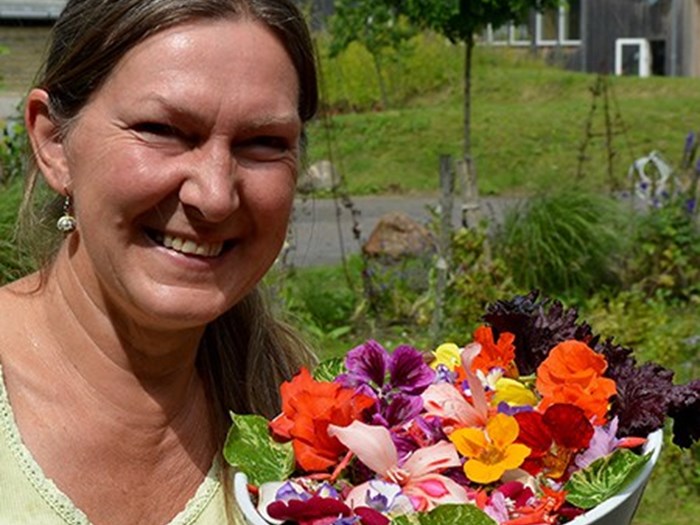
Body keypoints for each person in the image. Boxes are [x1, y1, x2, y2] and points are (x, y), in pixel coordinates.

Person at [0, 0, 318, 523]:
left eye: (263, 143)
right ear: (55, 143)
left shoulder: (321, 436)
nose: (215, 196)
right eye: (163, 130)